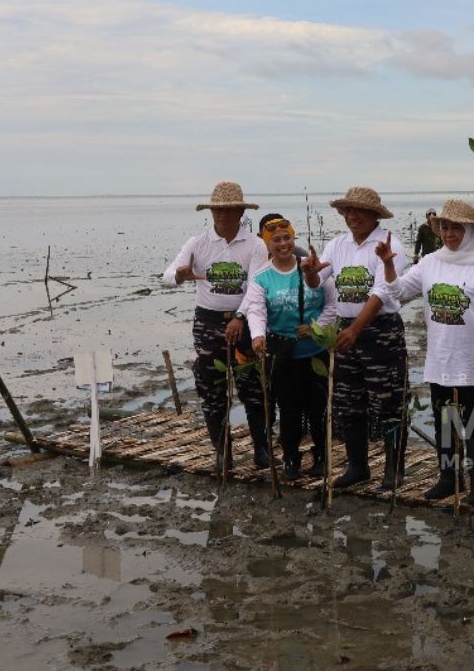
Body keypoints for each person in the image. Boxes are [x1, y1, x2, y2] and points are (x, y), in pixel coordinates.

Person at [378, 200, 474, 507]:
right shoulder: (430, 262)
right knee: (445, 421)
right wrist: (387, 264)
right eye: (445, 227)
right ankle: (448, 478)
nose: (449, 234)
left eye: (456, 228)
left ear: (471, 230)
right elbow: (398, 292)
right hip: (440, 358)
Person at [162, 182, 270, 472]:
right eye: (217, 211)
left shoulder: (255, 245)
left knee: (252, 387)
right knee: (211, 389)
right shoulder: (197, 243)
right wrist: (181, 275)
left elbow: (256, 287)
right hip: (208, 322)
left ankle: (262, 451)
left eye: (228, 211)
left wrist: (240, 317)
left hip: (245, 324)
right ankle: (223, 454)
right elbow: (168, 274)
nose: (222, 216)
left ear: (240, 212)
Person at [315, 187, 411, 491]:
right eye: (347, 211)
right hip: (345, 329)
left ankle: (394, 470)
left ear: (374, 215)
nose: (352, 216)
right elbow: (319, 280)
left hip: (380, 332)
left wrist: (356, 329)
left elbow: (382, 292)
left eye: (359, 211)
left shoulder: (391, 244)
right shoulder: (336, 244)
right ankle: (358, 467)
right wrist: (308, 273)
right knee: (347, 402)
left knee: (389, 403)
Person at [240, 217, 336, 479]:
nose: (283, 244)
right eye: (276, 240)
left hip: (315, 352)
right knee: (289, 409)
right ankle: (291, 458)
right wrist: (258, 336)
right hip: (284, 354)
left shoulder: (310, 268)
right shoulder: (261, 277)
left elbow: (332, 305)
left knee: (318, 409)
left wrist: (317, 326)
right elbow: (256, 310)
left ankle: (321, 457)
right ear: (267, 244)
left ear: (294, 240)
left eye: (287, 238)